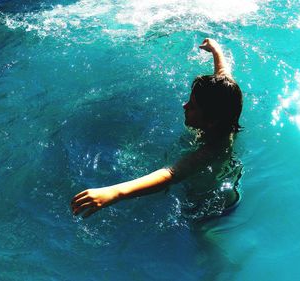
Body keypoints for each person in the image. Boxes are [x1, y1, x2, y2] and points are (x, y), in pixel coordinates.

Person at [71, 38, 243, 219]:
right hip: (227, 181)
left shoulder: (209, 152)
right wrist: (216, 51)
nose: (184, 106)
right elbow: (223, 73)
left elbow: (170, 174)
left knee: (201, 235)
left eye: (192, 107)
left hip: (214, 204)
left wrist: (115, 193)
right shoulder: (228, 106)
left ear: (211, 122)